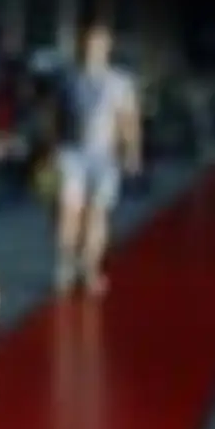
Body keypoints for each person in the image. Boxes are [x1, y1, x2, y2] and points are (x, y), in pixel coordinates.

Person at [52, 22, 143, 295]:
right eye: (88, 44)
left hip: (104, 156)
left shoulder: (119, 82)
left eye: (98, 44)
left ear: (106, 48)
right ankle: (66, 264)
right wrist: (50, 151)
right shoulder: (68, 78)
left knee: (96, 214)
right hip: (71, 155)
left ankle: (89, 267)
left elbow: (128, 119)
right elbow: (55, 117)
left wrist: (132, 151)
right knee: (69, 212)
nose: (92, 49)